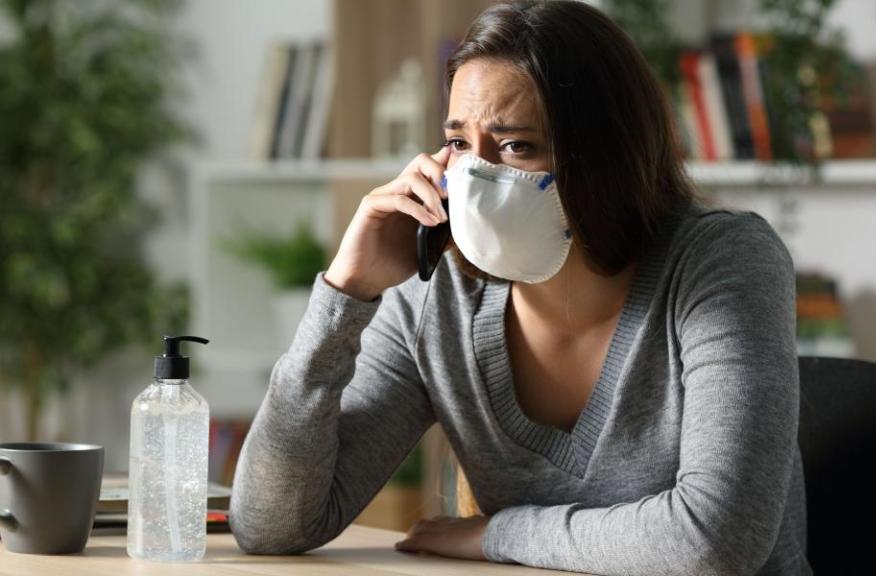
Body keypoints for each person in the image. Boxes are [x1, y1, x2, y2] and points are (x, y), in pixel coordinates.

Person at [229, 1, 812, 574]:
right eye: (459, 143)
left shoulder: (722, 261)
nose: (476, 177)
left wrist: (498, 534)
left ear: (605, 156)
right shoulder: (437, 297)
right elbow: (274, 524)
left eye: (516, 146)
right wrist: (345, 292)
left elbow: (716, 541)